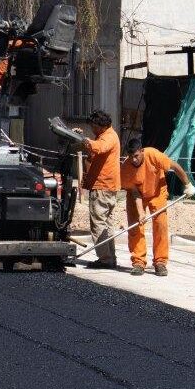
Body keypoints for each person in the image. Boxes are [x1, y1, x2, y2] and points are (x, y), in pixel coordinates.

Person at [120, 139, 195, 276]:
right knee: (135, 226)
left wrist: (187, 184)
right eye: (131, 157)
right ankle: (138, 262)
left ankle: (160, 262)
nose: (134, 159)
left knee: (160, 225)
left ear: (142, 151)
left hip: (157, 192)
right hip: (136, 196)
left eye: (136, 156)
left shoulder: (153, 155)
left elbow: (175, 166)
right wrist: (141, 212)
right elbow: (134, 192)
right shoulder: (126, 168)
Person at [77, 109, 121, 269]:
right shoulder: (105, 135)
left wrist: (87, 142)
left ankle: (105, 259)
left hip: (103, 186)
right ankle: (109, 257)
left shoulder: (108, 137)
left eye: (93, 126)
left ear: (100, 125)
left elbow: (100, 148)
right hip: (106, 186)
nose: (92, 129)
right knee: (106, 224)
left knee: (98, 224)